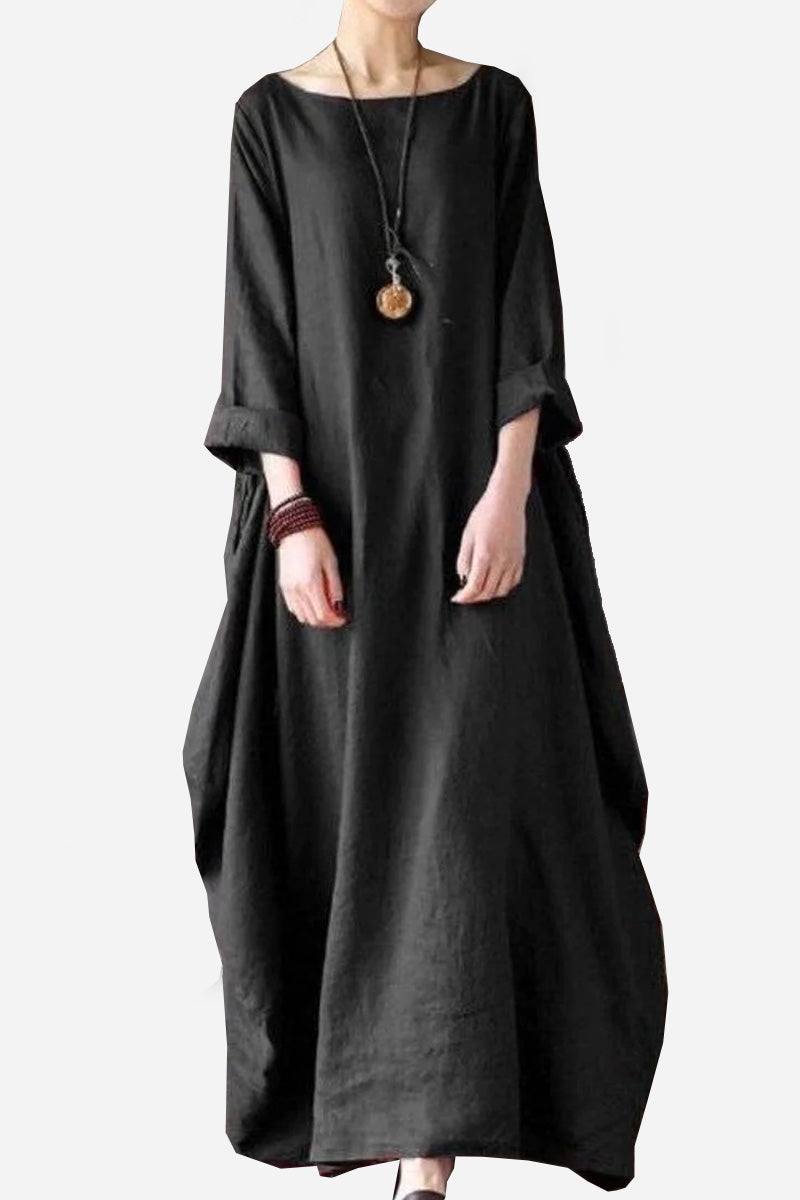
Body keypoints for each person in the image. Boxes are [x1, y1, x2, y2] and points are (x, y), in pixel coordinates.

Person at [183, 1, 667, 1194]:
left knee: (458, 813)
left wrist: (508, 492)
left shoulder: (493, 107)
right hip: (334, 529)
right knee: (338, 807)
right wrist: (290, 515)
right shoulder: (268, 119)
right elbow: (258, 332)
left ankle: (428, 1157)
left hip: (473, 521)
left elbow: (523, 317)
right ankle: (375, 1114)